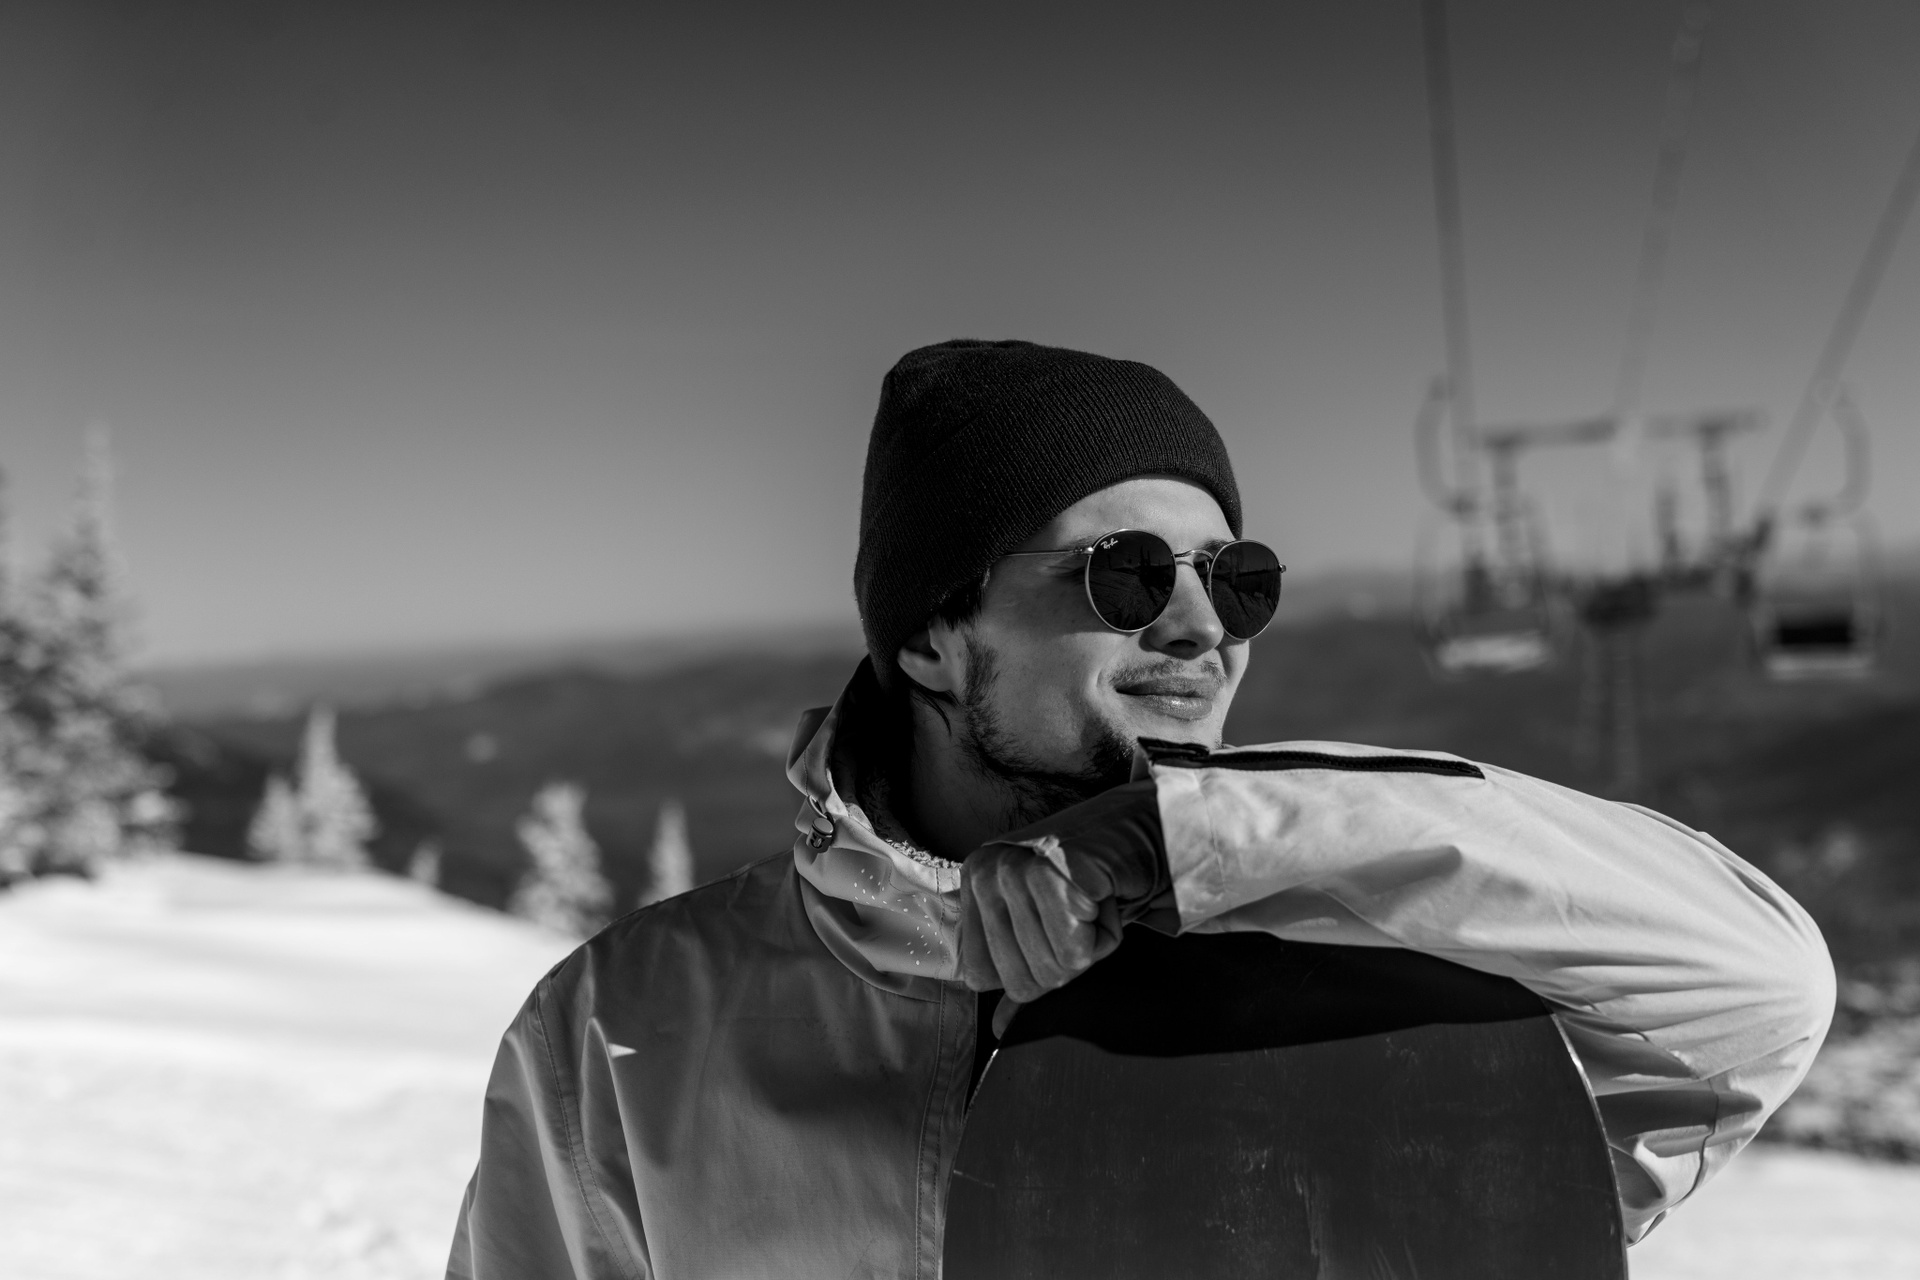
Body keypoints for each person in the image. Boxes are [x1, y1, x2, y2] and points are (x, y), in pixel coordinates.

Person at [446, 339, 1833, 1280]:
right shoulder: (630, 1026)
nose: (1200, 627)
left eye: (1233, 579)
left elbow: (1758, 982)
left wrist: (1184, 841)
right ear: (928, 637)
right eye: (1123, 573)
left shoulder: (1396, 984)